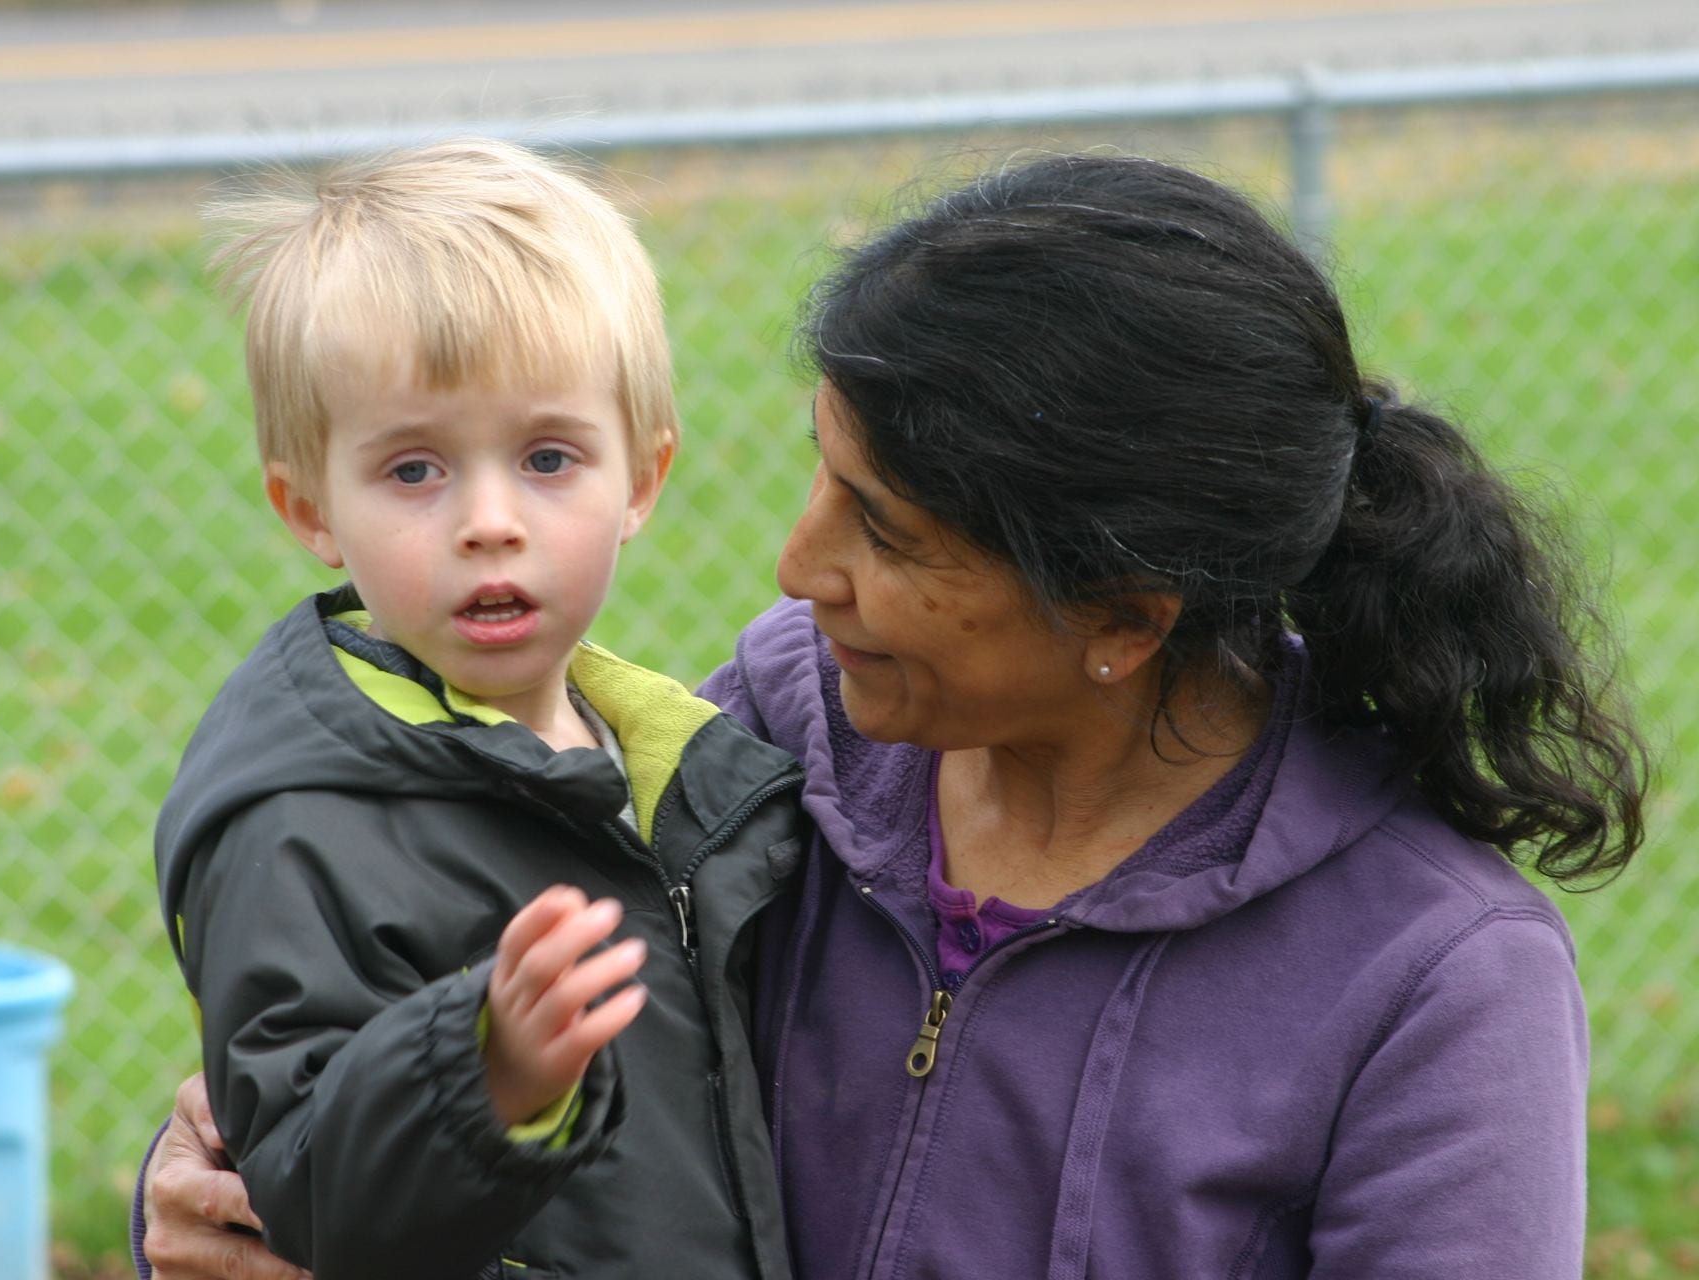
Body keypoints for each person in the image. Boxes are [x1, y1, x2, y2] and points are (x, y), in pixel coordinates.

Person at [137, 153, 1647, 1279]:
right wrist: (213, 1198)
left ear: (1122, 616)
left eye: (888, 531)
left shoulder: (1436, 982)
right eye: (821, 473)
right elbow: (421, 1086)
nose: (798, 568)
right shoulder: (762, 756)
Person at [148, 140, 806, 1280]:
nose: (489, 519)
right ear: (308, 505)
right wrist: (479, 1069)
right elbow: (300, 1187)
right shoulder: (300, 820)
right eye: (414, 470)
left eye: (549, 457)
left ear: (641, 480)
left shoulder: (689, 765)